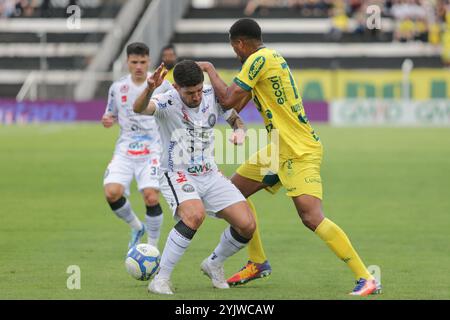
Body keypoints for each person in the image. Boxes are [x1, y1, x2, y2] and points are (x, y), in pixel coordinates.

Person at [197, 18, 381, 296]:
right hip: (278, 147)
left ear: (240, 43)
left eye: (234, 48)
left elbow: (228, 99)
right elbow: (234, 106)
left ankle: (366, 277)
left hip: (298, 148)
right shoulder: (266, 60)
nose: (235, 53)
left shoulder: (259, 59)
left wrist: (209, 69)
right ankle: (257, 262)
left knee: (311, 216)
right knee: (234, 195)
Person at [133, 60, 255, 295]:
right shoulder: (167, 100)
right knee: (194, 215)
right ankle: (160, 279)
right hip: (176, 172)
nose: (197, 96)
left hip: (209, 173)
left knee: (247, 225)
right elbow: (139, 109)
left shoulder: (211, 95)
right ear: (177, 88)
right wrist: (149, 87)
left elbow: (235, 119)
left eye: (199, 89)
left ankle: (214, 263)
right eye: (190, 93)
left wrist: (240, 132)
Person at [102, 42, 172, 249]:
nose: (139, 66)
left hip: (153, 149)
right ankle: (136, 226)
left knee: (150, 196)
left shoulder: (162, 85)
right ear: (127, 62)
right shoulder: (117, 87)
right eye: (134, 62)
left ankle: (152, 247)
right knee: (112, 193)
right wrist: (108, 119)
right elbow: (111, 114)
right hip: (125, 148)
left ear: (149, 61)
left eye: (143, 62)